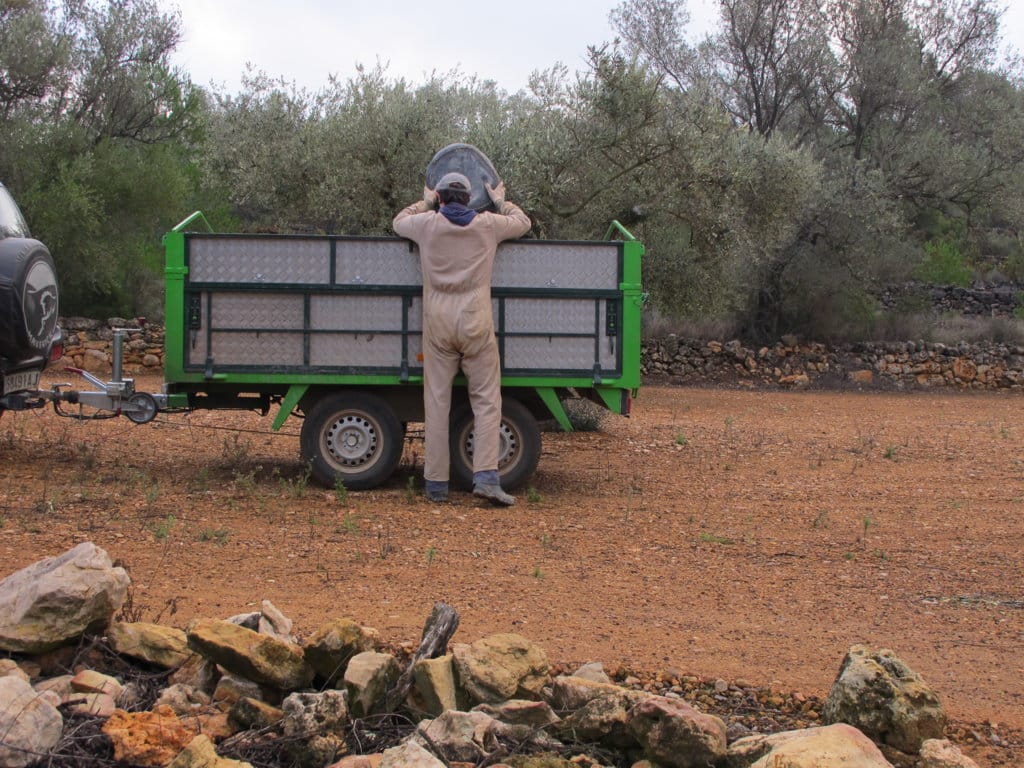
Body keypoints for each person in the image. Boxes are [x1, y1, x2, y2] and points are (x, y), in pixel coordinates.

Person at [393, 172, 531, 505]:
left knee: (437, 404)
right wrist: (499, 199)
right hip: (475, 321)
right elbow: (522, 222)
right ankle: (485, 477)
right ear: (470, 199)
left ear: (440, 198)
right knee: (486, 402)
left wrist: (425, 200)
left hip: (438, 321)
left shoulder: (425, 224)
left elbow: (399, 221)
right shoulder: (487, 225)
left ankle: (436, 485)